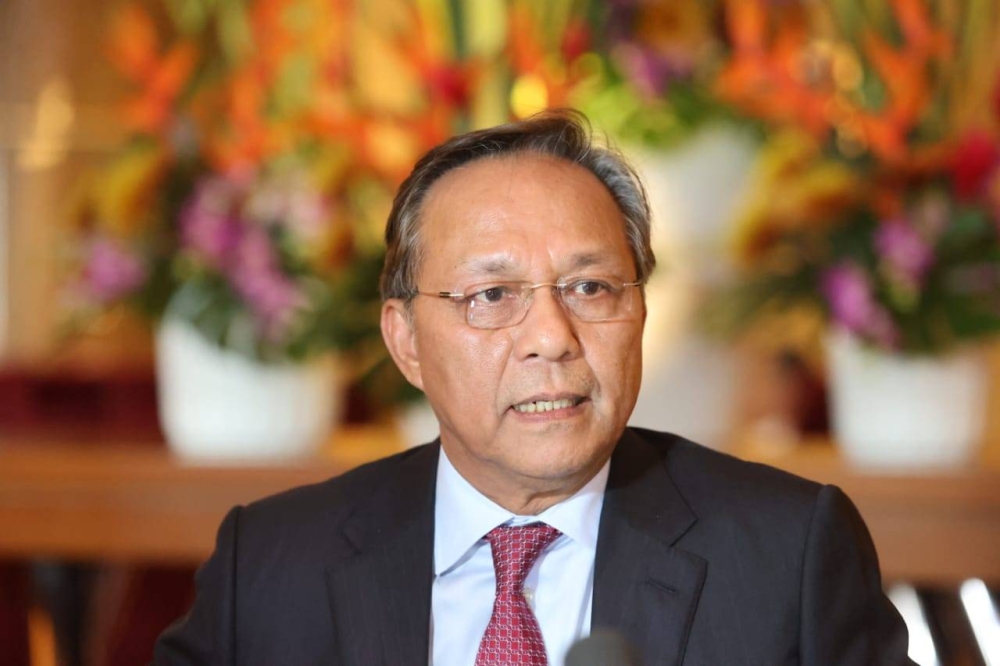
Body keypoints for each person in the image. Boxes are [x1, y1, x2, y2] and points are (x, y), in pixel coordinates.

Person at [154, 110, 915, 665]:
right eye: (492, 296)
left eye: (589, 287)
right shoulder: (272, 567)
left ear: (640, 311)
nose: (552, 337)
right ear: (406, 341)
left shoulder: (786, 555)